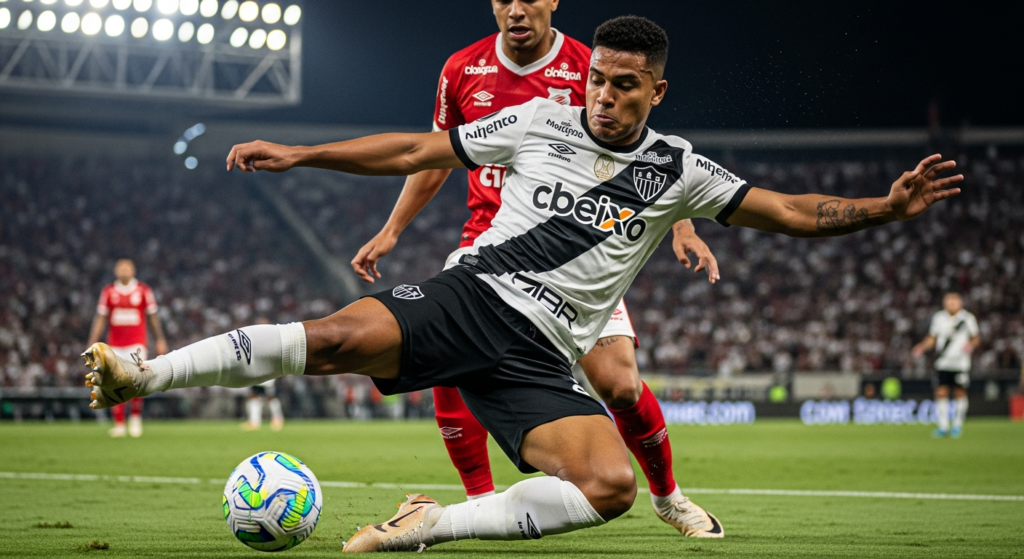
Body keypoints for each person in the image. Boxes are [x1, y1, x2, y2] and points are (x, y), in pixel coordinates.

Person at [83, 15, 962, 552]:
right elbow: (417, 150)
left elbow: (793, 210)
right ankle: (142, 374)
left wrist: (885, 209)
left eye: (625, 86)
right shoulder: (540, 116)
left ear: (657, 91)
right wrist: (303, 153)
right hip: (476, 294)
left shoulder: (679, 169)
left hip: (543, 352)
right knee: (341, 339)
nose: (604, 97)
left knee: (608, 485)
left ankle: (430, 525)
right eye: (597, 80)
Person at [350, 0, 720, 535]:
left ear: (552, 1)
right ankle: (480, 504)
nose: (515, 9)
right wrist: (392, 228)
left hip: (578, 244)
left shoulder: (588, 63)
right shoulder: (461, 68)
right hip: (490, 246)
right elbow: (434, 155)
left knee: (618, 385)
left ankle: (669, 498)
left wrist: (682, 225)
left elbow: (647, 155)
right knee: (448, 372)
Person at [86, 259, 168, 438]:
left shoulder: (143, 291)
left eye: (127, 267)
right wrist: (93, 341)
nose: (124, 270)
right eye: (121, 268)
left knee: (137, 380)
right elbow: (100, 318)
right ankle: (120, 423)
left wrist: (160, 338)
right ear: (116, 271)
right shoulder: (108, 292)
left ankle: (136, 419)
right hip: (114, 344)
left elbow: (153, 317)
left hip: (137, 343)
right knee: (114, 382)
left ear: (133, 270)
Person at [912, 292, 980, 438]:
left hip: (960, 363)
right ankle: (943, 426)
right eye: (948, 301)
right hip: (943, 362)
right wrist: (922, 347)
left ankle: (957, 425)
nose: (951, 303)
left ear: (960, 302)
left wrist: (970, 345)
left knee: (959, 393)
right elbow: (932, 338)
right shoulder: (939, 318)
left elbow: (975, 338)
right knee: (941, 393)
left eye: (954, 300)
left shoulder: (967, 318)